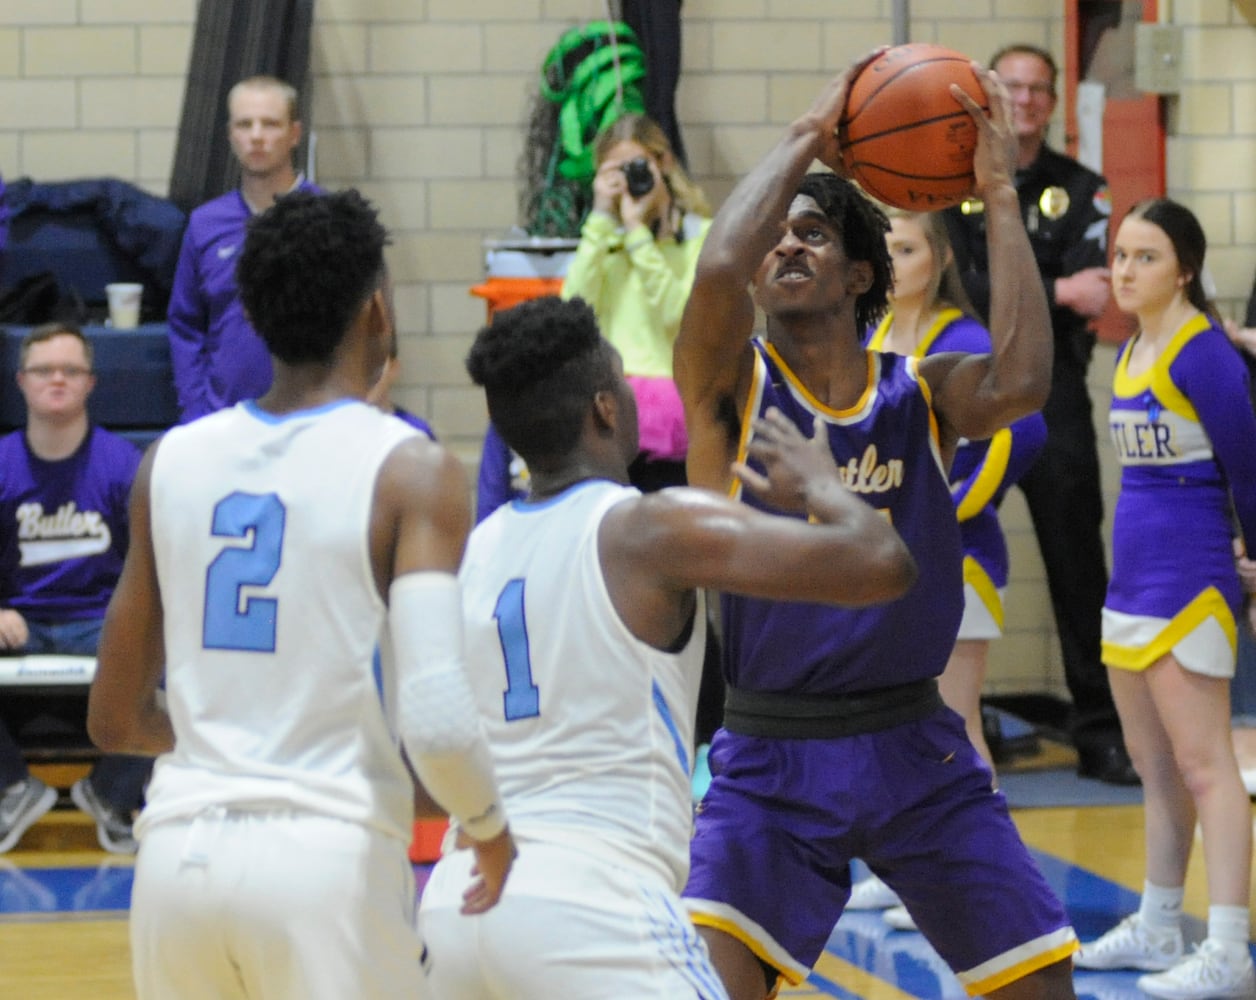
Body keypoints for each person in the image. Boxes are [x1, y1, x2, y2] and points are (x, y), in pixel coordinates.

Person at [674, 53, 1079, 1000]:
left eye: (811, 233)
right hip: (770, 754)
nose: (784, 246)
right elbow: (719, 265)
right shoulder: (732, 388)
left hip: (915, 745)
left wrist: (998, 196)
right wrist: (808, 138)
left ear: (862, 270)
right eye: (778, 232)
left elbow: (1022, 382)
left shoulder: (921, 391)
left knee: (1042, 987)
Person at [417, 295, 917, 999]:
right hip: (593, 909)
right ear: (605, 408)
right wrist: (823, 486)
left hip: (456, 904)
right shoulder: (647, 528)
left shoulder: (473, 556)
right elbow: (882, 564)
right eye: (623, 379)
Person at [86, 189, 516, 1000]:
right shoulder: (408, 467)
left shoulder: (169, 463)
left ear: (248, 313)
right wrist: (487, 828)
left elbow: (113, 716)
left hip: (177, 857)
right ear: (377, 313)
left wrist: (230, 745)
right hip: (329, 860)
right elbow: (437, 718)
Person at [1072, 198, 1256, 1000]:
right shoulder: (1128, 350)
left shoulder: (1202, 352)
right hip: (1131, 583)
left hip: (1192, 581)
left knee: (1208, 767)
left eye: (1145, 257)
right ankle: (1157, 921)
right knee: (1155, 769)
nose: (1124, 270)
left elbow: (1249, 469)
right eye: (1119, 255)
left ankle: (1228, 947)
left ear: (1183, 267)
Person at [847, 208, 1048, 930]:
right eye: (886, 247)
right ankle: (912, 874)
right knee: (904, 729)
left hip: (958, 559)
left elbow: (1023, 429)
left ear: (939, 256)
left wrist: (942, 510)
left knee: (956, 728)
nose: (894, 260)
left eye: (907, 247)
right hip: (890, 563)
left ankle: (979, 884)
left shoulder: (960, 336)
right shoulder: (869, 335)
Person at [942, 43, 1135, 786]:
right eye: (1010, 88)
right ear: (989, 96)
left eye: (1036, 90)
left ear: (1052, 102)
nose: (1023, 100)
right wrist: (1050, 292)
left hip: (1053, 397)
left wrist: (1019, 294)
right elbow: (964, 291)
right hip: (963, 388)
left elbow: (1096, 296)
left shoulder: (1082, 187)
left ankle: (1098, 728)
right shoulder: (948, 186)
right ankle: (946, 719)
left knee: (1078, 563)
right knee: (942, 547)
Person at [0, 323, 152, 855]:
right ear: (21, 381)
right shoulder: (1, 464)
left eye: (71, 370)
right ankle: (14, 789)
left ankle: (110, 795)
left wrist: (130, 621)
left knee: (179, 667)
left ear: (91, 382)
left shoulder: (123, 466)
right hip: (21, 622)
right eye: (45, 370)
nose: (57, 380)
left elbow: (151, 564)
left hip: (103, 622)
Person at [561, 112, 712, 492]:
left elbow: (679, 317)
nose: (628, 180)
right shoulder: (601, 238)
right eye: (616, 172)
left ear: (664, 163)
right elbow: (571, 312)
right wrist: (599, 217)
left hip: (673, 415)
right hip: (608, 410)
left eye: (636, 166)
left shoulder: (701, 236)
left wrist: (637, 235)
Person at [167, 75, 320, 423]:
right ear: (230, 135)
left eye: (270, 124)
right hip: (226, 420)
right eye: (244, 124)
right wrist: (197, 412)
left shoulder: (330, 220)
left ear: (294, 134)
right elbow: (186, 326)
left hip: (312, 421)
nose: (256, 136)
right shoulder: (204, 224)